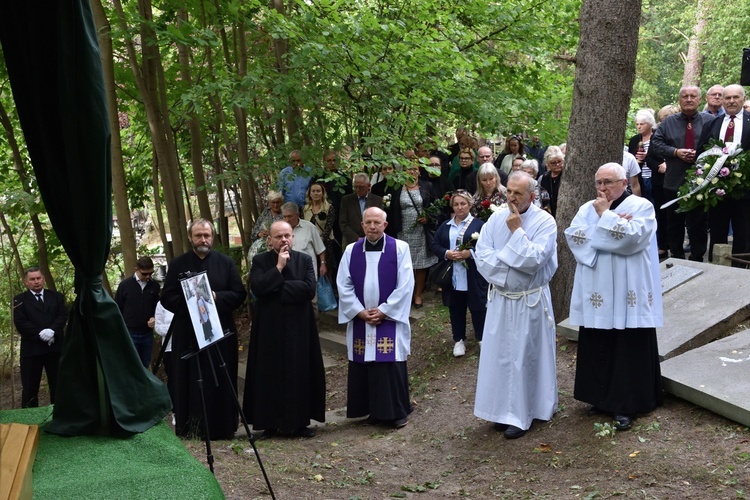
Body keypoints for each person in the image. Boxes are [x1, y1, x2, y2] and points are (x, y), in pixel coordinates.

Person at [564, 163, 663, 431]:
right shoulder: (587, 208)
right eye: (598, 182)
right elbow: (575, 237)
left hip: (627, 289)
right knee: (599, 340)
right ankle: (599, 397)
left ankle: (627, 404)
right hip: (598, 287)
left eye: (608, 182)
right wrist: (612, 226)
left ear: (624, 183)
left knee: (627, 344)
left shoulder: (642, 206)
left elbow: (633, 240)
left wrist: (607, 219)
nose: (602, 188)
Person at [473, 171, 558, 439]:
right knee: (499, 355)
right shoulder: (495, 218)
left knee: (525, 356)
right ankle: (501, 411)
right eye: (508, 191)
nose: (510, 197)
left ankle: (524, 414)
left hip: (529, 300)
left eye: (517, 193)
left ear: (532, 196)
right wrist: (511, 268)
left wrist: (517, 232)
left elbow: (535, 260)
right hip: (501, 299)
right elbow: (483, 257)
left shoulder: (545, 222)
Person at [161, 219, 247, 439]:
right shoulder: (178, 264)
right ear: (190, 237)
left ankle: (223, 427)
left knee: (221, 375)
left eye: (207, 235)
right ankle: (191, 427)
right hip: (188, 332)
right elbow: (167, 298)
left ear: (213, 237)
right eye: (198, 235)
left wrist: (215, 297)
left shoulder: (226, 263)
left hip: (220, 332)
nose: (203, 240)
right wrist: (190, 301)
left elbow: (239, 294)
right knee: (188, 379)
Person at [243, 221, 326, 438]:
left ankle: (299, 423)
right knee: (268, 373)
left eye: (287, 236)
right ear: (269, 240)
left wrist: (277, 287)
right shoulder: (261, 261)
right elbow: (258, 288)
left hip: (299, 327)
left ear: (293, 237)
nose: (284, 240)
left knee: (299, 370)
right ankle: (269, 423)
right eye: (278, 236)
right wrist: (278, 268)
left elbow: (308, 289)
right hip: (269, 329)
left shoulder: (305, 259)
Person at [337, 207, 415, 428]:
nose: (372, 226)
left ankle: (395, 412)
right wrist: (358, 311)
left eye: (376, 222)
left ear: (385, 225)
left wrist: (385, 310)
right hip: (362, 318)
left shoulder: (400, 248)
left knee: (389, 364)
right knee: (366, 363)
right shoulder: (351, 251)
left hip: (388, 319)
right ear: (362, 225)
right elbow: (344, 284)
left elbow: (406, 284)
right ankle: (373, 410)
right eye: (368, 222)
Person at [650, 85, 708, 261]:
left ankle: (698, 257)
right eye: (685, 96)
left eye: (693, 96)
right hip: (674, 181)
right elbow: (656, 145)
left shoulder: (709, 121)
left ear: (699, 99)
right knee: (674, 223)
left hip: (702, 182)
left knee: (698, 223)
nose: (689, 99)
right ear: (679, 100)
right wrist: (675, 152)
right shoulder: (668, 123)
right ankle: (676, 256)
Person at [697, 84, 750, 264]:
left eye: (736, 97)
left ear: (743, 99)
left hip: (746, 190)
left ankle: (740, 268)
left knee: (743, 231)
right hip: (717, 190)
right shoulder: (712, 124)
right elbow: (701, 152)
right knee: (717, 230)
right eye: (727, 98)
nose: (731, 101)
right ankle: (716, 268)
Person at [431, 191, 488, 357]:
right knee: (456, 307)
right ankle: (459, 340)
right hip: (453, 275)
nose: (459, 207)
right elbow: (435, 245)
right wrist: (447, 253)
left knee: (478, 306)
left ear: (469, 205)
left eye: (463, 204)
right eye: (456, 204)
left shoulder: (479, 225)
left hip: (473, 274)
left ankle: (482, 338)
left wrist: (470, 253)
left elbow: (487, 246)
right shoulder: (445, 226)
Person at [385, 163, 437, 308]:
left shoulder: (427, 186)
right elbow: (392, 210)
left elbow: (434, 207)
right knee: (403, 264)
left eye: (415, 169)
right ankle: (405, 294)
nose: (412, 171)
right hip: (402, 231)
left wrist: (427, 217)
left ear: (419, 172)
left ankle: (418, 294)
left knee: (420, 264)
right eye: (409, 169)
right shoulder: (397, 187)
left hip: (421, 230)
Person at [13, 267, 67, 408]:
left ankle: (59, 416)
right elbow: (20, 322)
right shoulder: (19, 300)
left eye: (38, 278)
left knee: (59, 385)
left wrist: (52, 331)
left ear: (43, 279)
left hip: (55, 348)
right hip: (32, 350)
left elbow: (62, 316)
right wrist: (40, 334)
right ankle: (30, 420)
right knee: (30, 388)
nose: (36, 282)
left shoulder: (56, 296)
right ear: (26, 282)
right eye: (32, 279)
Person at [114, 256, 160, 368]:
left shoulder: (154, 286)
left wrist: (154, 317)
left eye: (151, 273)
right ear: (136, 270)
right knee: (131, 365)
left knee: (145, 363)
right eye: (144, 274)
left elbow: (158, 308)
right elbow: (117, 308)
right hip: (130, 332)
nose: (148, 276)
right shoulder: (125, 285)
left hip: (147, 333)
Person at [303, 181, 341, 280]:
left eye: (318, 191)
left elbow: (329, 227)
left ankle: (328, 294)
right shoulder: (305, 209)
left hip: (326, 244)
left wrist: (318, 243)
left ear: (323, 193)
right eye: (313, 191)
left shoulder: (329, 208)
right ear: (309, 193)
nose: (316, 193)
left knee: (326, 273)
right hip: (309, 244)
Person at [281, 202, 327, 280]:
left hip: (308, 272)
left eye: (289, 216)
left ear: (297, 215)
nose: (287, 220)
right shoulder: (280, 230)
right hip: (288, 273)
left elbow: (320, 249)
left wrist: (323, 264)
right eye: (284, 217)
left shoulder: (309, 227)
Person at [339, 173, 384, 248]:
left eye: (361, 187)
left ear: (369, 186)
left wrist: (371, 236)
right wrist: (356, 238)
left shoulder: (377, 200)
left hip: (373, 241)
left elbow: (380, 221)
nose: (358, 190)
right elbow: (343, 223)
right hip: (351, 242)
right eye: (356, 187)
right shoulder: (346, 200)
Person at [628, 109, 657, 202]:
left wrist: (647, 156)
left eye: (642, 124)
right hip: (639, 176)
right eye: (637, 124)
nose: (639, 127)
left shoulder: (658, 136)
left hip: (655, 175)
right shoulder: (634, 140)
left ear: (650, 124)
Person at [539, 146, 564, 218]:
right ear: (548, 164)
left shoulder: (566, 176)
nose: (557, 165)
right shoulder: (544, 178)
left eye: (559, 161)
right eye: (553, 163)